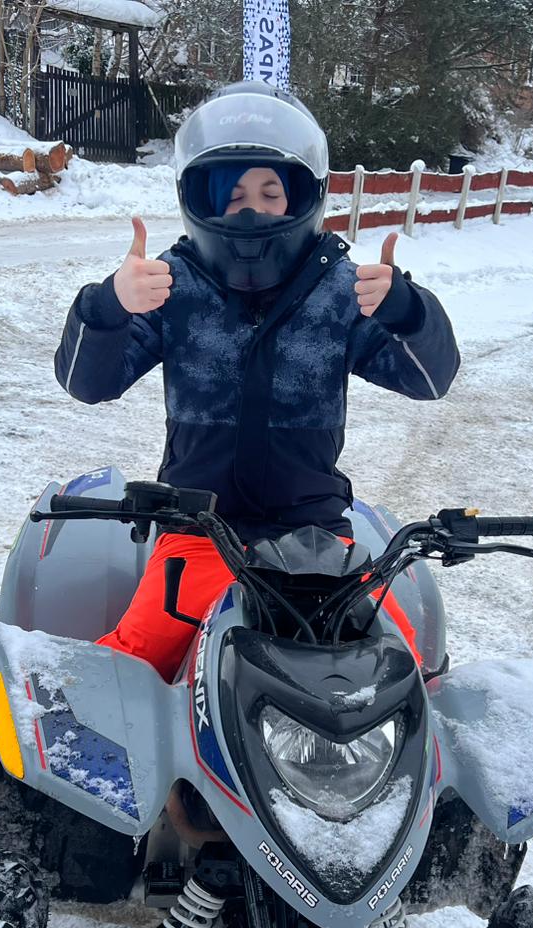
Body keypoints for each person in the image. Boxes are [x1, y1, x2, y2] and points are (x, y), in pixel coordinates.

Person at [53, 81, 460, 681]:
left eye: (271, 193)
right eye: (235, 194)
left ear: (302, 196)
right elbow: (87, 382)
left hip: (316, 537)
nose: (252, 210)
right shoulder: (171, 284)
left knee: (404, 669)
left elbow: (431, 379)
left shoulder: (340, 290)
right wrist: (109, 303)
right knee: (129, 666)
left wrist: (407, 310)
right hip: (197, 530)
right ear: (203, 199)